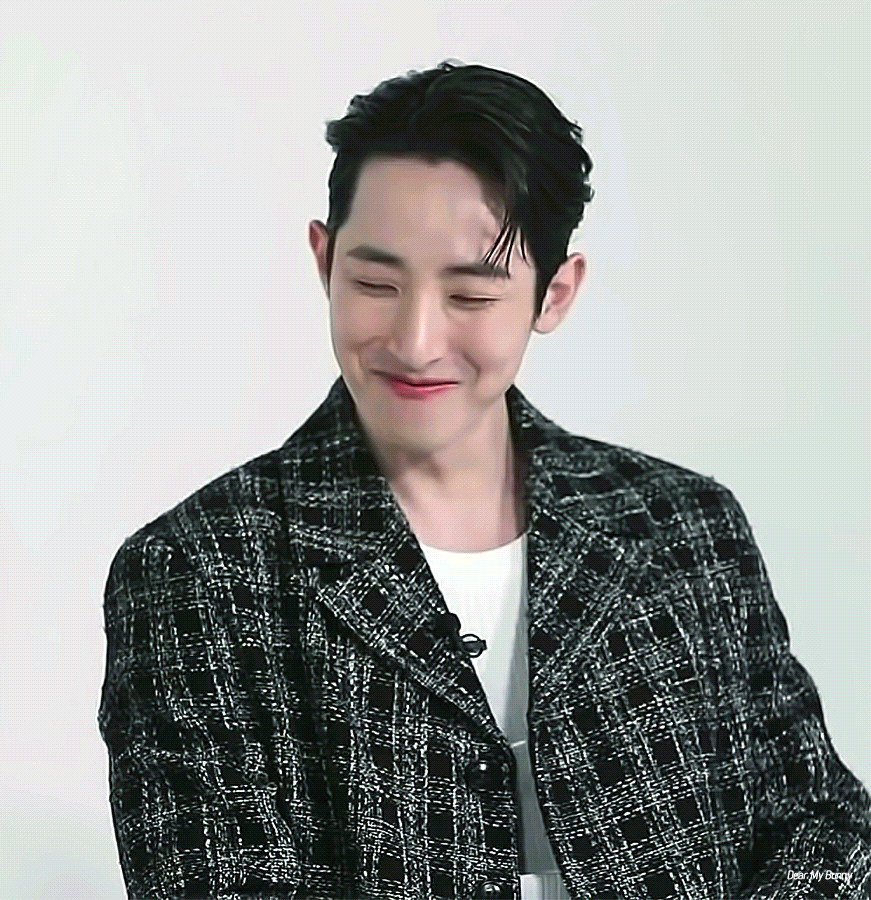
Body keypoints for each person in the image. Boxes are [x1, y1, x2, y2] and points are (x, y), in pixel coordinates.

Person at [98, 60, 871, 900]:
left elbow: (828, 825)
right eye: (375, 283)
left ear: (555, 294)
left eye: (469, 296)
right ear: (323, 260)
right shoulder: (198, 570)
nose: (415, 340)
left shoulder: (686, 527)